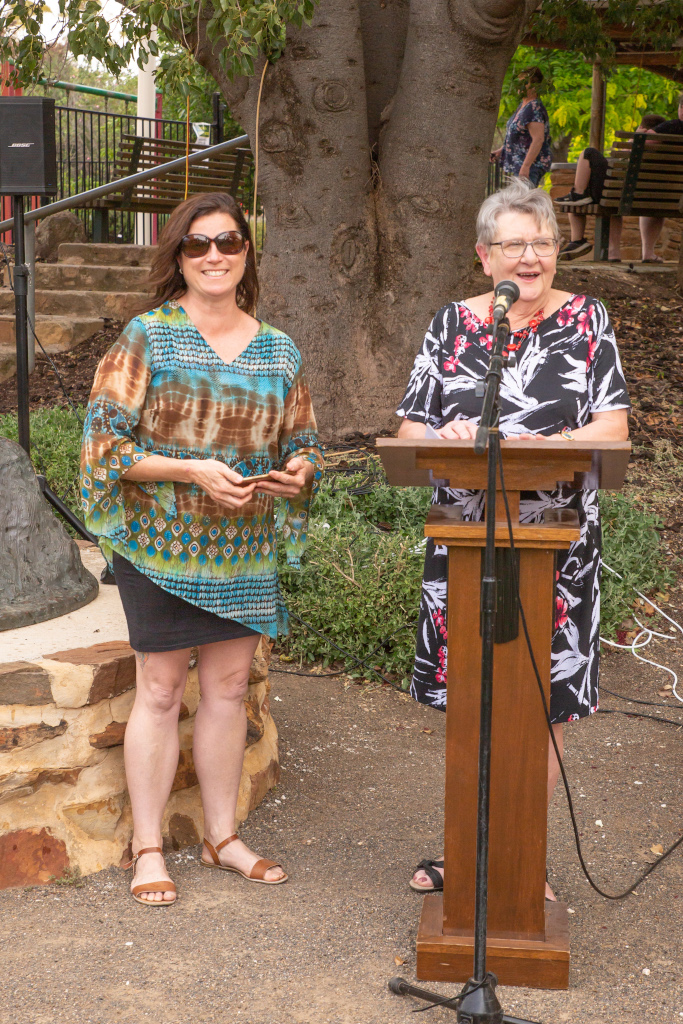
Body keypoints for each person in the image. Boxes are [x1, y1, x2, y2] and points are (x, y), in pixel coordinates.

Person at [80, 192, 324, 906]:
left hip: (241, 547)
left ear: (247, 254)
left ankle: (222, 838)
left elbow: (304, 441)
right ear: (178, 258)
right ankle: (148, 847)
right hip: (160, 544)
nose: (214, 255)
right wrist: (190, 470)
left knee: (223, 691)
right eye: (197, 245)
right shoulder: (147, 337)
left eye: (228, 242)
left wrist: (300, 470)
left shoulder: (279, 349)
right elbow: (104, 444)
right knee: (158, 691)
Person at [396, 178, 629, 900]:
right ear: (483, 256)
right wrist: (448, 432)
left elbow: (612, 427)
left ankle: (520, 854)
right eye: (513, 244)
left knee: (543, 700)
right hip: (464, 542)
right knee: (473, 696)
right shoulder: (451, 325)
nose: (529, 257)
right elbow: (408, 431)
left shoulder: (587, 319)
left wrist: (544, 438)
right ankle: (469, 854)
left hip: (556, 547)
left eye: (543, 242)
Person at [556, 113, 666, 262]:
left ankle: (579, 232)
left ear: (642, 127)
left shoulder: (640, 142)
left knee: (589, 154)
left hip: (619, 196)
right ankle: (626, 253)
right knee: (609, 198)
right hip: (654, 198)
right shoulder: (666, 151)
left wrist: (634, 138)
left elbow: (621, 162)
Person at [639, 92, 683, 263]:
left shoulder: (670, 127)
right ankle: (648, 254)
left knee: (653, 194)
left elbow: (639, 147)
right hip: (675, 195)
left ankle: (647, 253)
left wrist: (637, 135)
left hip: (653, 193)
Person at [491, 66, 552, 187]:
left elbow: (538, 139)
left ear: (534, 86)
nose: (520, 85)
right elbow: (519, 137)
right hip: (516, 165)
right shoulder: (524, 104)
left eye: (524, 82)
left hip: (529, 167)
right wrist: (501, 151)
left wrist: (526, 167)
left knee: (522, 203)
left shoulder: (534, 108)